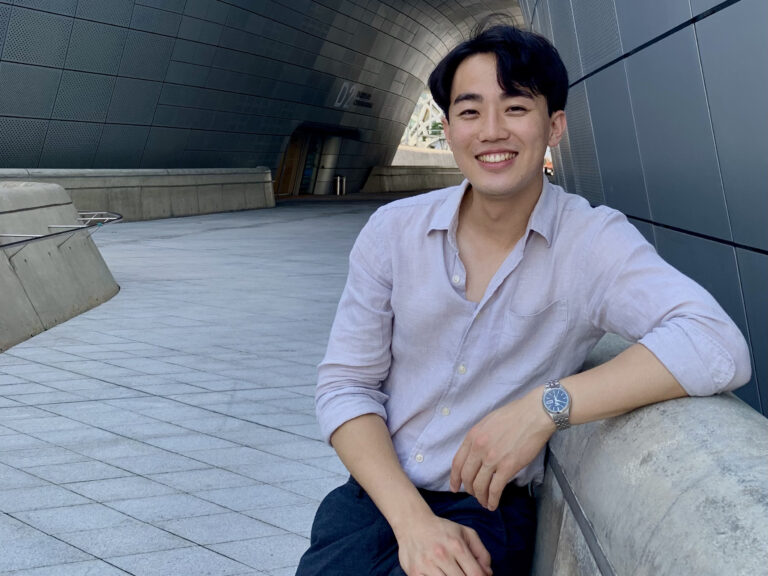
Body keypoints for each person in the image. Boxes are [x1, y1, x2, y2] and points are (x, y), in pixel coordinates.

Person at [296, 24, 751, 576]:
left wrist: (546, 407)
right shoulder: (393, 232)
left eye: (515, 108)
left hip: (486, 509)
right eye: (469, 112)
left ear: (553, 125)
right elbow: (346, 386)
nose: (491, 131)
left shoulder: (591, 240)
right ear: (447, 127)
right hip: (374, 500)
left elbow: (715, 341)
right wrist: (413, 523)